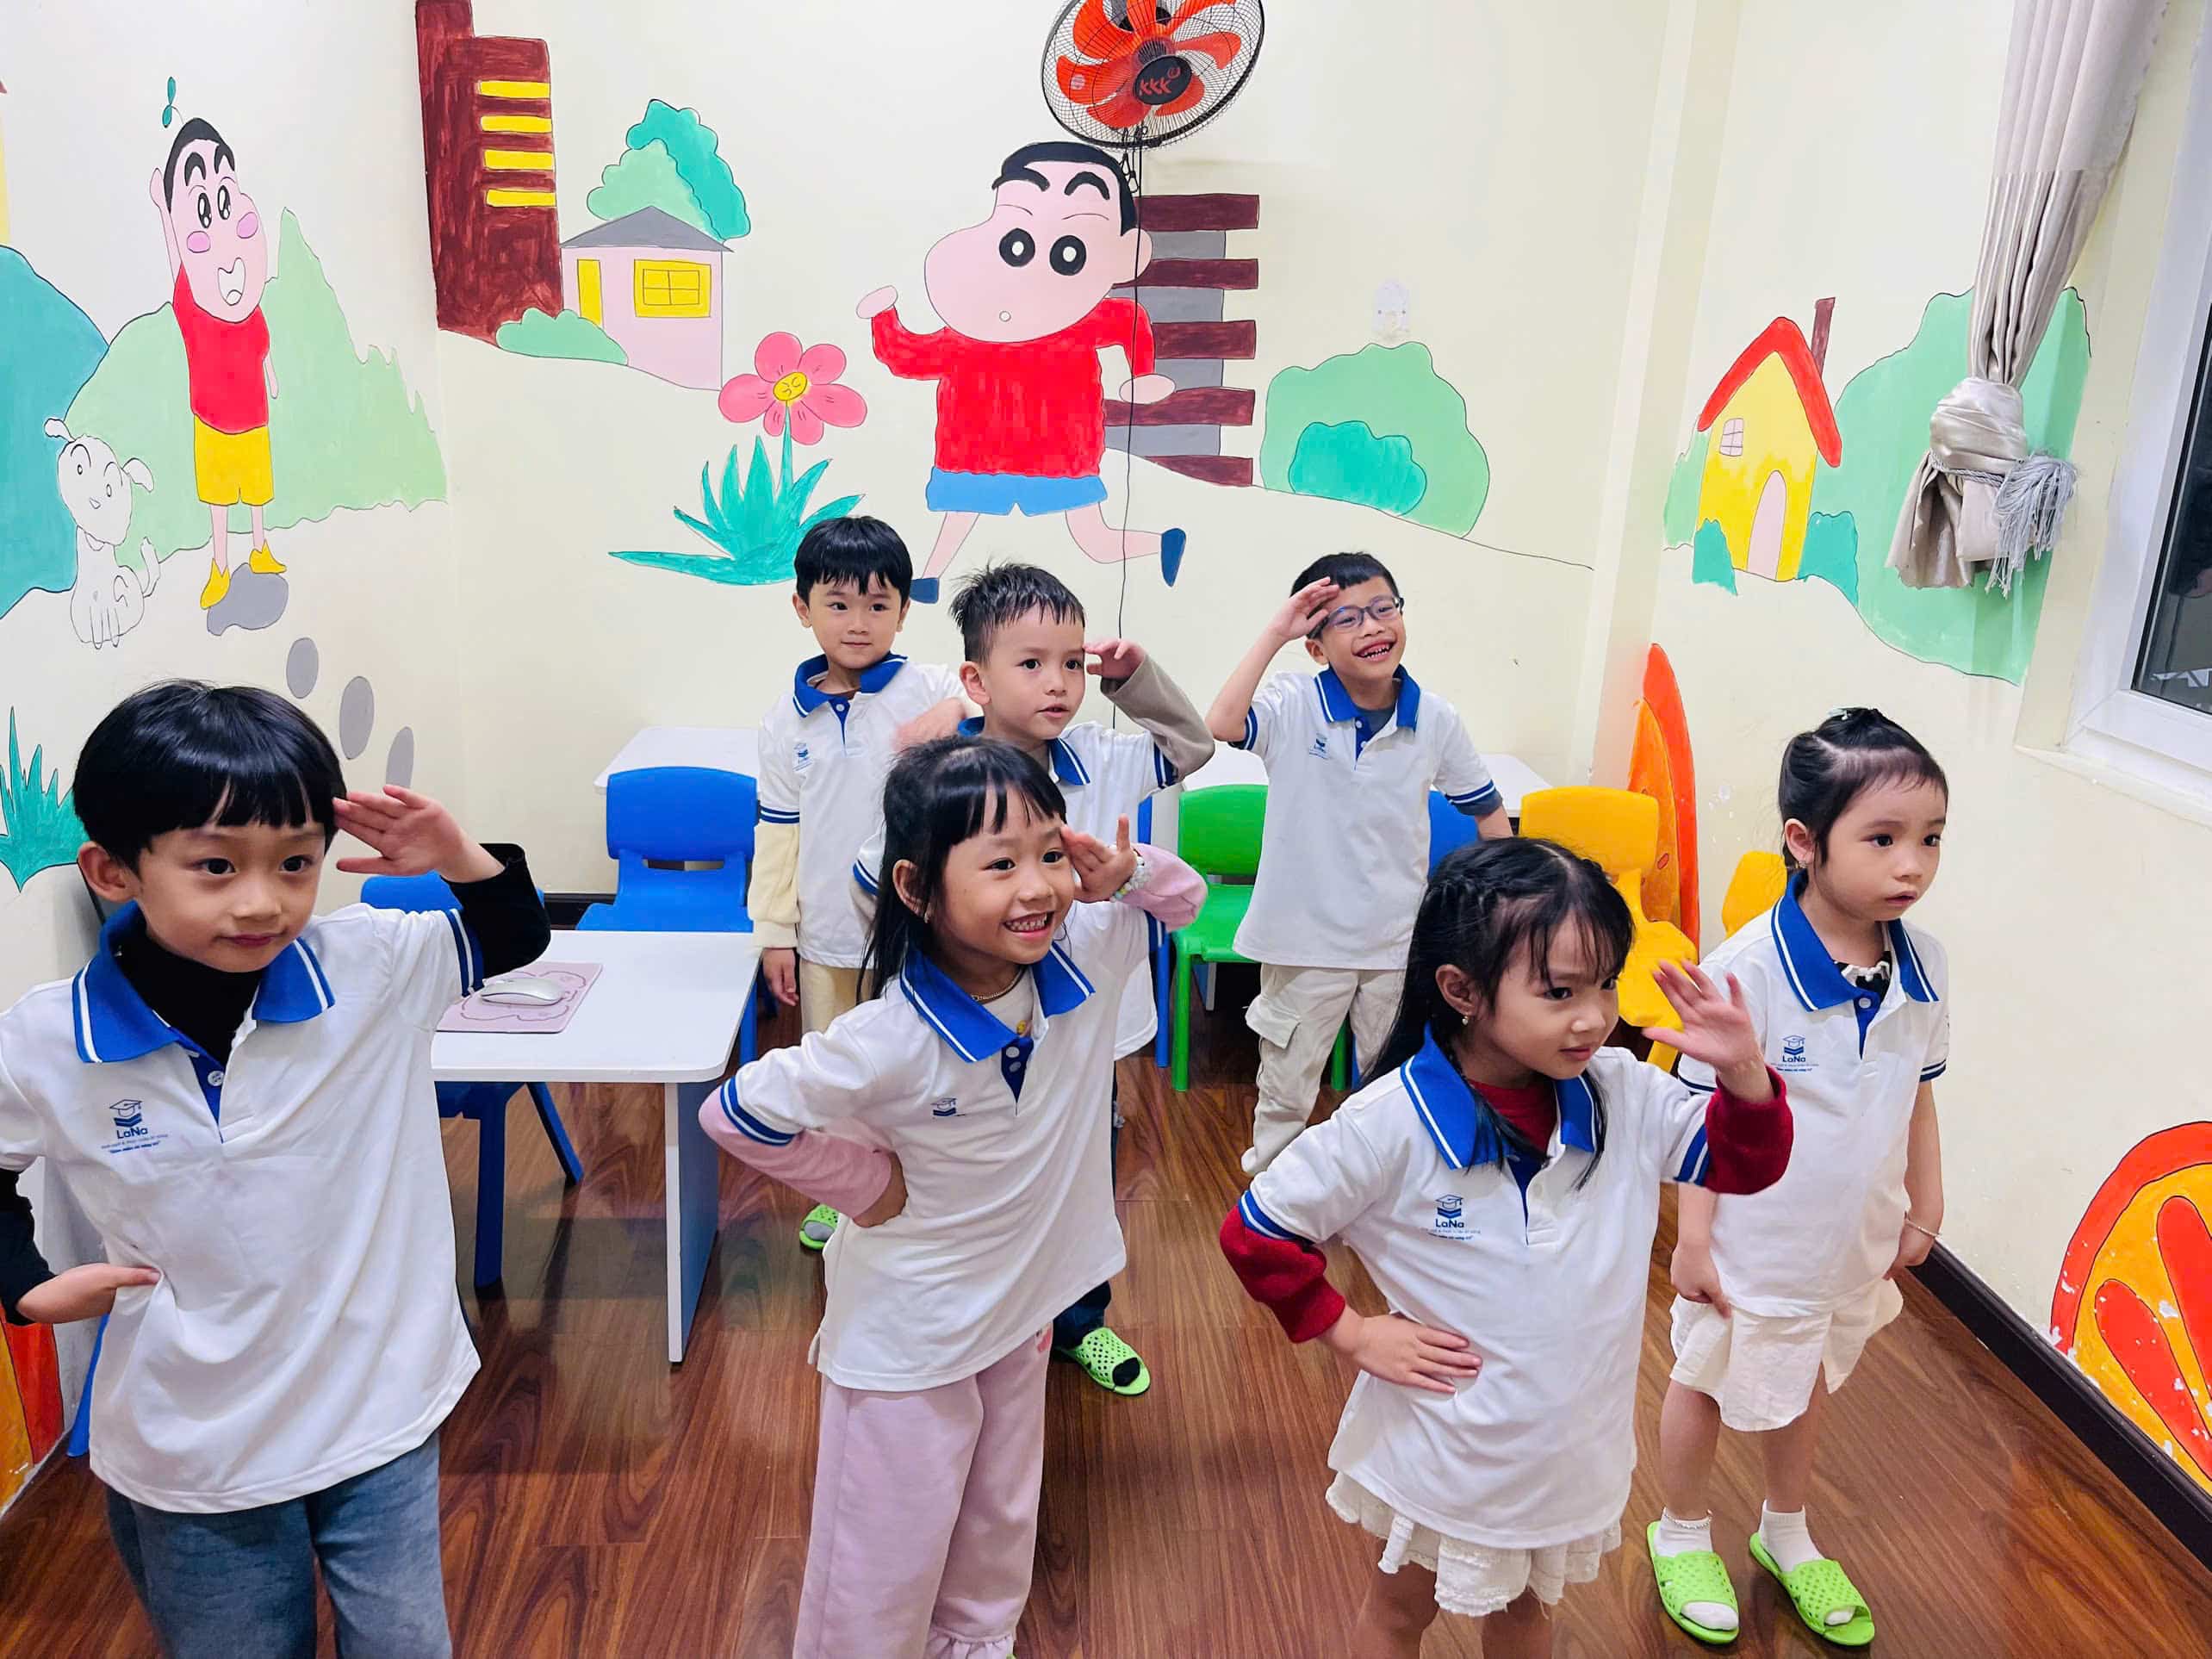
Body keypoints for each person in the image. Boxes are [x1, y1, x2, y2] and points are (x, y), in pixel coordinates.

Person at [0, 681, 551, 1657]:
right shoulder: (45, 1040)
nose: (263, 901)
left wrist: (456, 854)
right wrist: (26, 1286)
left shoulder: (369, 967)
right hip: (196, 1446)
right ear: (114, 870)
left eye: (296, 863)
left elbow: (514, 934)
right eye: (216, 866)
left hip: (380, 1408)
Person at [1220, 837, 1793, 1659]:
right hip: (1441, 1453)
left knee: (1527, 1615)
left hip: (1565, 1455)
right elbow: (1256, 1231)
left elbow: (1743, 1164)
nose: (1593, 1016)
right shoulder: (1388, 1123)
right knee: (1399, 1613)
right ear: (1461, 990)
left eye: (1605, 984)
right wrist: (1351, 1332)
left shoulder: (1624, 1092)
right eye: (1559, 991)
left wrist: (1745, 1074)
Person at [700, 736, 1203, 1659]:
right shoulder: (887, 1037)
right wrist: (868, 1184)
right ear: (917, 888)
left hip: (1022, 1310)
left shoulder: (1086, 957)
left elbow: (1182, 903)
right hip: (911, 1338)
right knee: (881, 1565)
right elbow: (735, 1112)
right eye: (1001, 864)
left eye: (1050, 852)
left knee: (998, 1526)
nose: (1038, 886)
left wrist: (1126, 872)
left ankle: (974, 1643)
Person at [850, 561, 1214, 1393]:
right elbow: (877, 879)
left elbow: (1192, 748)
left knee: (1081, 1180)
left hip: (1087, 1028)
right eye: (1032, 663)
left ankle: (1078, 1322)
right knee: (977, 1174)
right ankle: (988, 1320)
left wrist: (1136, 679)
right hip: (976, 1026)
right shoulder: (944, 778)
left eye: (1073, 663)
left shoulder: (1102, 756)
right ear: (976, 679)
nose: (1059, 683)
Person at [1649, 708, 1949, 1650]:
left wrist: (1927, 1205)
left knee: (1805, 1377)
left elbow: (1919, 1094)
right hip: (1749, 1242)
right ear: (1804, 842)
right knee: (1705, 1380)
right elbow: (1699, 1122)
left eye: (1931, 839)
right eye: (1884, 839)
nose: (1912, 865)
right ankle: (1681, 1530)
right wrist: (1694, 1241)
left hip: (1848, 1242)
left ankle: (1786, 1531)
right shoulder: (1744, 974)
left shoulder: (1926, 966)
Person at [1207, 552, 1513, 1177]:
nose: (1372, 627)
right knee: (1287, 1084)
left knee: (1393, 1078)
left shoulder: (1435, 718)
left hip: (1394, 942)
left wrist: (1507, 905)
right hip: (1301, 942)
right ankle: (1276, 1187)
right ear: (1315, 646)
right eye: (1347, 619)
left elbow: (1487, 810)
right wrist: (1276, 631)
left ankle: (1385, 1185)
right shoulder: (1294, 702)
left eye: (1382, 609)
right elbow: (1221, 723)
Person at [749, 515, 966, 1248]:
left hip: (913, 929)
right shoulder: (783, 723)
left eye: (878, 605)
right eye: (838, 604)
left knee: (912, 1062)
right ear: (802, 607)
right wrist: (776, 934)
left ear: (904, 611)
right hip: (825, 935)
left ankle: (921, 1184)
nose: (858, 622)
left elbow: (992, 697)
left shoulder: (929, 686)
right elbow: (778, 835)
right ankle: (841, 1193)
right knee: (834, 1066)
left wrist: (953, 712)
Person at [860, 140, 1187, 604]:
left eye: (1068, 250)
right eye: (1017, 241)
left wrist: (1143, 372)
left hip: (1057, 454)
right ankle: (929, 577)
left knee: (1092, 540)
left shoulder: (1079, 323)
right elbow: (906, 355)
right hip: (983, 452)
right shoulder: (968, 335)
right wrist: (883, 318)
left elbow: (1129, 320)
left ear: (1125, 254)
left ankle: (1160, 543)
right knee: (962, 515)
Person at [151, 119, 283, 611]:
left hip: (254, 418)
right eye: (202, 205)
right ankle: (221, 565)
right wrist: (164, 213)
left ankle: (260, 547)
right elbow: (176, 261)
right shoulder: (192, 305)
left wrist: (271, 376)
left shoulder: (249, 307)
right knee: (219, 499)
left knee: (257, 490)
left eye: (224, 196)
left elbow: (262, 346)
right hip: (211, 421)